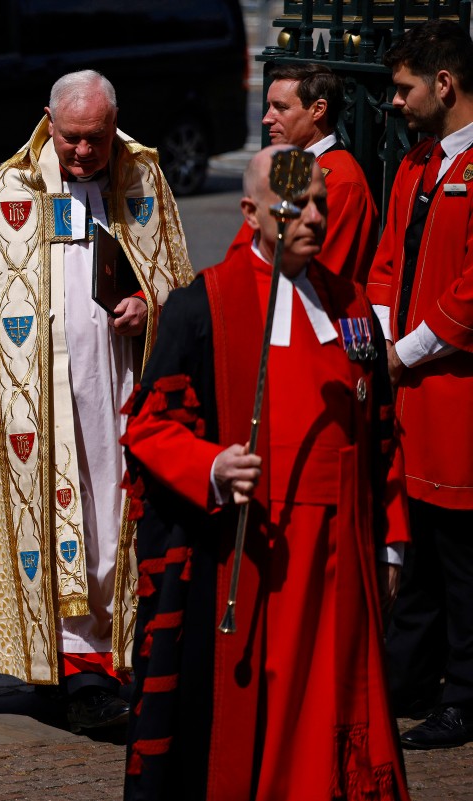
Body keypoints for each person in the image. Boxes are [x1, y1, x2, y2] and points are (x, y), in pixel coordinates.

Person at [121, 145, 409, 800]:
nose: (314, 218)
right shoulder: (203, 306)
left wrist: (391, 538)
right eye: (294, 206)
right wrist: (212, 465)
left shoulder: (351, 305)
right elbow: (148, 427)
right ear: (251, 212)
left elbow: (382, 432)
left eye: (320, 204)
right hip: (253, 554)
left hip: (343, 556)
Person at [0, 70, 193, 734]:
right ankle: (74, 666)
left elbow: (175, 282)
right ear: (49, 120)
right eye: (71, 138)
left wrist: (148, 306)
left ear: (114, 123)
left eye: (95, 138)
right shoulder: (15, 185)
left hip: (122, 381)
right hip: (41, 399)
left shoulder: (142, 177)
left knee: (111, 516)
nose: (82, 152)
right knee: (58, 521)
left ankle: (119, 651)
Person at [369, 18, 473, 749]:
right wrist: (379, 345)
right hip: (409, 385)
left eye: (405, 88)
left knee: (462, 558)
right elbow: (387, 263)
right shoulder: (416, 163)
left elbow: (469, 293)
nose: (396, 101)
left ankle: (463, 697)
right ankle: (405, 679)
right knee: (422, 547)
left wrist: (402, 353)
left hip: (454, 390)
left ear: (444, 83)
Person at [226, 63, 379, 283]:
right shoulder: (292, 166)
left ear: (318, 109)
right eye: (269, 107)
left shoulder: (342, 181)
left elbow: (317, 275)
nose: (267, 118)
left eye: (280, 107)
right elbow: (243, 247)